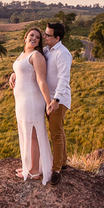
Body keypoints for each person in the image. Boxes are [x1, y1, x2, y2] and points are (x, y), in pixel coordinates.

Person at [11, 27, 55, 184]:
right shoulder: (23, 54)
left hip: (31, 100)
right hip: (21, 101)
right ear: (25, 37)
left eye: (37, 37)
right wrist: (13, 75)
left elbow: (41, 80)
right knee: (25, 132)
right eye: (31, 35)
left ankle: (35, 170)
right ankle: (28, 165)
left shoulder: (36, 56)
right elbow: (22, 69)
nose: (34, 38)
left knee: (34, 135)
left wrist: (49, 102)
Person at [42, 22, 72, 184]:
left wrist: (56, 100)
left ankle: (56, 169)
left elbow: (64, 78)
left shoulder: (63, 53)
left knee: (55, 133)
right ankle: (63, 162)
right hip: (49, 97)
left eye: (48, 35)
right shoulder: (47, 50)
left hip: (58, 99)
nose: (45, 36)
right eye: (45, 33)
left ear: (57, 38)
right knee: (58, 130)